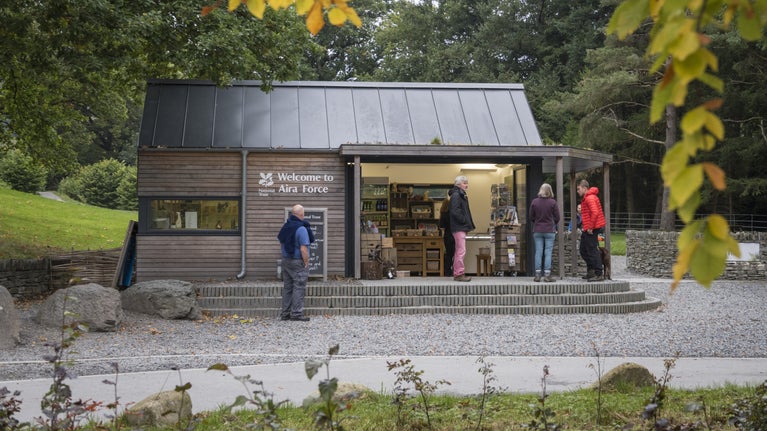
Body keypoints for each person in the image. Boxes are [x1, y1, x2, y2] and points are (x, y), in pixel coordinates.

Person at [277, 204, 315, 321]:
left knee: (288, 287)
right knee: (299, 287)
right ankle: (296, 314)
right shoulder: (301, 229)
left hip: (286, 260)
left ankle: (285, 313)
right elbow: (303, 248)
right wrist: (306, 262)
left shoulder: (286, 226)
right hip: (297, 261)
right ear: (302, 214)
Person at [529, 183, 560, 282]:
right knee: (548, 252)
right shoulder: (552, 202)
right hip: (549, 230)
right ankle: (547, 275)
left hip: (537, 230)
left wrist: (537, 222)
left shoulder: (534, 202)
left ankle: (537, 275)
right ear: (549, 191)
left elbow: (531, 217)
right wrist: (552, 223)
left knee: (538, 252)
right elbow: (557, 217)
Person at [576, 180, 606, 282]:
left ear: (585, 188)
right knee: (583, 250)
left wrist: (590, 227)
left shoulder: (590, 198)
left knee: (592, 250)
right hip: (589, 228)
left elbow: (595, 212)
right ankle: (591, 270)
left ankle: (598, 273)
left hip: (593, 228)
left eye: (578, 189)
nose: (577, 191)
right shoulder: (587, 198)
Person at [448, 175, 475, 282]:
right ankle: (459, 274)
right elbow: (455, 211)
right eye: (464, 183)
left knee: (459, 250)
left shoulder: (459, 194)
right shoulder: (457, 195)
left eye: (467, 182)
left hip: (459, 226)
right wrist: (464, 221)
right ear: (458, 184)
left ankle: (458, 272)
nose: (467, 185)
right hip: (459, 226)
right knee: (461, 250)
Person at [438, 197, 454, 276]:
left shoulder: (443, 214)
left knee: (448, 254)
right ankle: (456, 270)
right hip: (454, 235)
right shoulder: (453, 213)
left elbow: (442, 227)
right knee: (456, 254)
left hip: (447, 236)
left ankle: (447, 271)